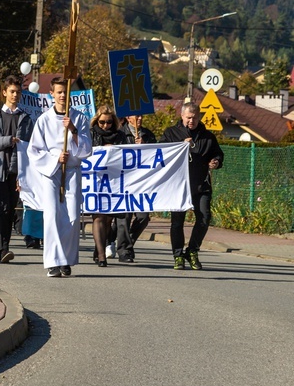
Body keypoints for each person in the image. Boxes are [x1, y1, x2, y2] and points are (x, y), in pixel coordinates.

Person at [27, 77, 92, 277]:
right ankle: (53, 262)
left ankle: (66, 259)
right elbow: (34, 150)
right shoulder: (44, 120)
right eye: (59, 92)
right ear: (52, 94)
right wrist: (56, 158)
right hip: (52, 173)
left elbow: (87, 149)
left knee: (72, 217)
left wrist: (73, 130)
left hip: (72, 172)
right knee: (53, 215)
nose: (63, 96)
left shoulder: (79, 118)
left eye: (66, 92)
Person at [160, 102, 224, 270]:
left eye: (195, 118)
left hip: (201, 185)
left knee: (204, 219)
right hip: (179, 186)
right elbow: (161, 154)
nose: (191, 121)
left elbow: (217, 153)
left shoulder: (207, 136)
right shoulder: (171, 133)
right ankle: (178, 255)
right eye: (188, 117)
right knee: (177, 222)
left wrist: (216, 161)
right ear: (182, 116)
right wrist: (180, 145)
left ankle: (193, 251)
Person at [0, 76, 34, 264]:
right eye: (12, 91)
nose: (15, 95)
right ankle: (3, 248)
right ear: (4, 92)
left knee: (10, 209)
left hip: (17, 171)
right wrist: (7, 140)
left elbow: (31, 147)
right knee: (2, 208)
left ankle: (3, 248)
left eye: (18, 92)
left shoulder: (26, 118)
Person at [115, 114, 157, 262]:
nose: (139, 119)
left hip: (142, 184)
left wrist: (145, 146)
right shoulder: (119, 133)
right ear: (127, 117)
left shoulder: (148, 135)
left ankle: (128, 243)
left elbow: (157, 156)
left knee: (143, 217)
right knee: (124, 217)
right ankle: (124, 251)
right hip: (124, 182)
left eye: (141, 116)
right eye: (136, 116)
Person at [89, 105, 127, 267]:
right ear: (96, 121)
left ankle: (99, 248)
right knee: (98, 216)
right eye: (102, 122)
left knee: (108, 219)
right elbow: (84, 152)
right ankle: (102, 255)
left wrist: (116, 150)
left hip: (113, 181)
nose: (105, 125)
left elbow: (128, 155)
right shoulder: (90, 134)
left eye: (109, 122)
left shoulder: (120, 136)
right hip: (95, 180)